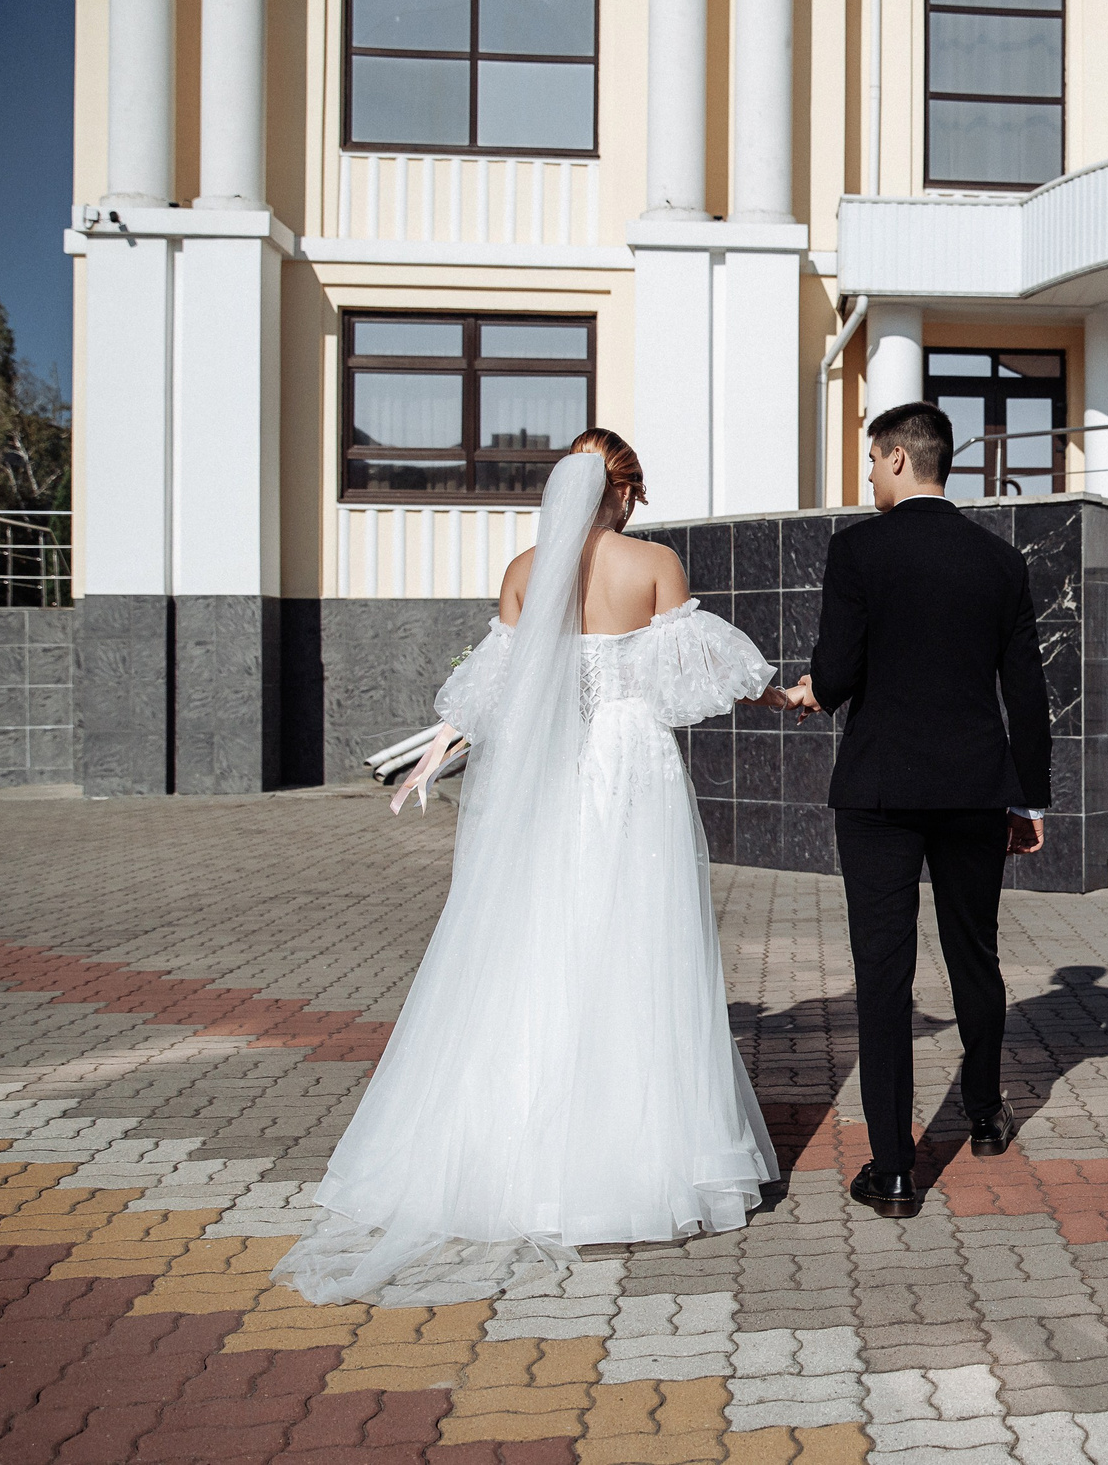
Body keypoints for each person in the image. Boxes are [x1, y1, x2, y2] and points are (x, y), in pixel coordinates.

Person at [276, 431, 799, 1305]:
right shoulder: (654, 565)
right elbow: (702, 675)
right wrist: (783, 693)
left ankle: (512, 1152)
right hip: (630, 772)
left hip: (551, 775)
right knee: (636, 947)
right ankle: (636, 1160)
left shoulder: (524, 571)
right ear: (624, 491)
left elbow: (494, 694)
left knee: (539, 942)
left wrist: (439, 751)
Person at [784, 401, 1051, 1219]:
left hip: (880, 793)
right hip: (974, 789)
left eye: (872, 459)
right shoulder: (1000, 561)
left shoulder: (858, 549)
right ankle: (986, 1113)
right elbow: (1027, 692)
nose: (868, 473)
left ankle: (895, 1171)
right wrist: (1028, 797)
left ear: (900, 458)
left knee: (883, 973)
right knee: (975, 952)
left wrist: (813, 690)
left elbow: (836, 674)